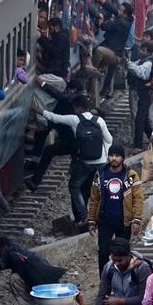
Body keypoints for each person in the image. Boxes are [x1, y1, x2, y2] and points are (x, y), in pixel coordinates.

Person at [35, 94, 113, 224]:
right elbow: (109, 139)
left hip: (85, 163)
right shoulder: (99, 120)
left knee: (74, 186)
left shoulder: (75, 119)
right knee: (99, 189)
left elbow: (55, 118)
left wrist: (37, 109)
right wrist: (106, 158)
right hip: (101, 162)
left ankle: (83, 215)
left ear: (78, 108)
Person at [86, 145, 144, 274]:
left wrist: (137, 219)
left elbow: (138, 198)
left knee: (123, 253)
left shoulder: (130, 175)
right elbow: (94, 198)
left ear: (123, 158)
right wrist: (91, 220)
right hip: (105, 220)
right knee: (103, 252)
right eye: (111, 155)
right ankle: (104, 280)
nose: (114, 158)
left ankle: (124, 278)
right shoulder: (100, 174)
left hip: (123, 220)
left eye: (117, 156)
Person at [26, 78, 83, 190]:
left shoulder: (70, 100)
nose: (66, 92)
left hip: (70, 141)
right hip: (75, 141)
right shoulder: (81, 102)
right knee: (45, 139)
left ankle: (35, 180)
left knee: (48, 150)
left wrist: (41, 83)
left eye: (68, 90)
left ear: (73, 90)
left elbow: (56, 94)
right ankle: (34, 168)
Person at [0, 237, 67, 305]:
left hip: (42, 286)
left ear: (4, 247)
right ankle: (39, 300)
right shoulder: (18, 249)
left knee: (14, 278)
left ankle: (32, 304)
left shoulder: (10, 253)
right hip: (51, 283)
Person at [128, 42, 153, 151]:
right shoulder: (141, 61)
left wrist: (127, 62)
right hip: (142, 94)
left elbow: (140, 73)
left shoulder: (148, 63)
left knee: (140, 119)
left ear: (149, 52)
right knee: (143, 120)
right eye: (141, 50)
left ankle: (138, 145)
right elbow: (134, 65)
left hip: (146, 93)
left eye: (144, 50)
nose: (141, 52)